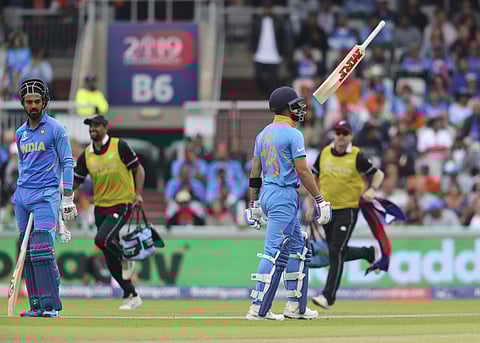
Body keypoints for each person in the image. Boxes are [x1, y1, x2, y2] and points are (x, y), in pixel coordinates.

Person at [244, 86, 332, 321]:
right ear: (287, 107)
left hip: (269, 193)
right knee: (272, 252)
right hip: (283, 195)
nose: (300, 109)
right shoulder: (293, 134)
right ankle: (257, 307)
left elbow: (255, 171)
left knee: (299, 249)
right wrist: (319, 199)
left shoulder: (263, 134)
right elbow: (302, 170)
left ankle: (295, 306)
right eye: (296, 105)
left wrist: (253, 204)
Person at [12, 78, 77, 317]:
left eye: (37, 101)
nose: (33, 106)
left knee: (41, 249)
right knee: (27, 252)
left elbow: (67, 162)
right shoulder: (20, 133)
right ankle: (36, 306)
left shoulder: (56, 129)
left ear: (45, 101)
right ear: (23, 103)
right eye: (29, 101)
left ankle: (50, 306)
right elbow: (22, 163)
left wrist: (67, 198)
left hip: (46, 194)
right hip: (23, 196)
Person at [308, 120, 385, 310]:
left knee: (335, 250)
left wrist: (372, 190)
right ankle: (367, 252)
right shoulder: (325, 153)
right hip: (326, 209)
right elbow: (313, 178)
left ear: (350, 136)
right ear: (335, 134)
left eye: (345, 133)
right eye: (338, 133)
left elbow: (378, 174)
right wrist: (311, 205)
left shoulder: (357, 156)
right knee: (336, 249)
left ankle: (328, 296)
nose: (341, 137)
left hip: (348, 209)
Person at [73, 115, 145, 310]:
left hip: (122, 203)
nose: (92, 129)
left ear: (105, 127)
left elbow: (138, 170)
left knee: (101, 240)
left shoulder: (119, 146)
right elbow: (76, 181)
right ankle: (131, 294)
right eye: (90, 126)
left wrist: (138, 195)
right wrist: (62, 195)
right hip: (101, 207)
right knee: (108, 255)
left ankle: (125, 257)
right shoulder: (87, 154)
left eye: (96, 125)